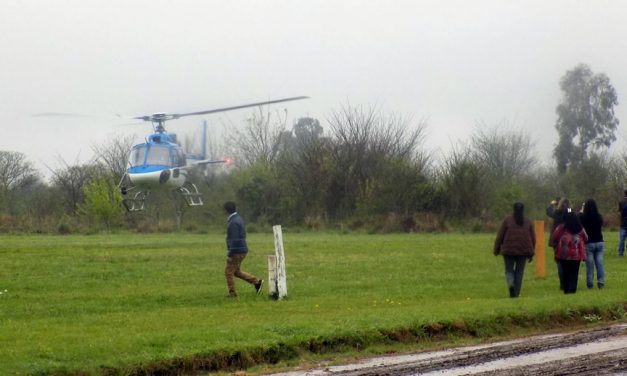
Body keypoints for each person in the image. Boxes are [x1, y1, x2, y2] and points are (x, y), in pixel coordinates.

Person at [494, 202, 536, 298]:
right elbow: (533, 238)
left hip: (508, 250)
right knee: (519, 271)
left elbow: (500, 236)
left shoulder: (507, 220)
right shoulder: (528, 221)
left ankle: (511, 285)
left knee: (509, 270)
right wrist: (531, 252)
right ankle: (516, 293)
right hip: (524, 250)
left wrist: (496, 250)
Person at [223, 201, 263, 297]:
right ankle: (257, 282)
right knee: (235, 271)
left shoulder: (233, 222)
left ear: (226, 210)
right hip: (242, 249)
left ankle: (232, 293)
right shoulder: (238, 218)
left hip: (236, 250)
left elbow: (234, 239)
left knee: (228, 272)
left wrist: (230, 253)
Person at [551, 210, 587, 294]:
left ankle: (566, 290)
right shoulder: (579, 227)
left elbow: (554, 238)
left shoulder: (561, 227)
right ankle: (572, 289)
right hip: (576, 254)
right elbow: (586, 238)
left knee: (566, 272)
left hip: (564, 254)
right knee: (574, 273)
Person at [579, 199, 605, 289]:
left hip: (588, 243)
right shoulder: (599, 216)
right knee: (600, 263)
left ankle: (590, 283)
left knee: (589, 265)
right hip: (599, 242)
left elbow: (574, 216)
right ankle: (601, 282)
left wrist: (581, 211)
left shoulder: (583, 217)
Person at [546, 197, 571, 289]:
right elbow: (571, 211)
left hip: (557, 241)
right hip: (568, 239)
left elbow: (548, 212)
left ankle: (562, 284)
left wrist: (551, 204)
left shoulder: (556, 213)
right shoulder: (569, 212)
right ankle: (568, 282)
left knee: (559, 262)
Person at [618, 190, 627, 257]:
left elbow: (620, 213)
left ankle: (620, 253)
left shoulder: (621, 202)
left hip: (623, 224)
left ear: (624, 194)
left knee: (622, 240)